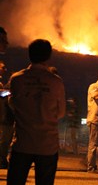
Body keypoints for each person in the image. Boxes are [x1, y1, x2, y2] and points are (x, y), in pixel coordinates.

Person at [7, 39, 66, 185]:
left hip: (22, 143)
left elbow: (12, 104)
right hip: (47, 145)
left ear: (29, 54)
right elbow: (61, 113)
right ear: (48, 56)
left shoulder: (17, 79)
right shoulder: (56, 81)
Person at [0, 61, 14, 169]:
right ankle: (2, 160)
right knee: (5, 140)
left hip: (5, 118)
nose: (4, 70)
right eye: (2, 68)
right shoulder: (6, 89)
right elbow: (2, 94)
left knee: (6, 140)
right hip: (5, 118)